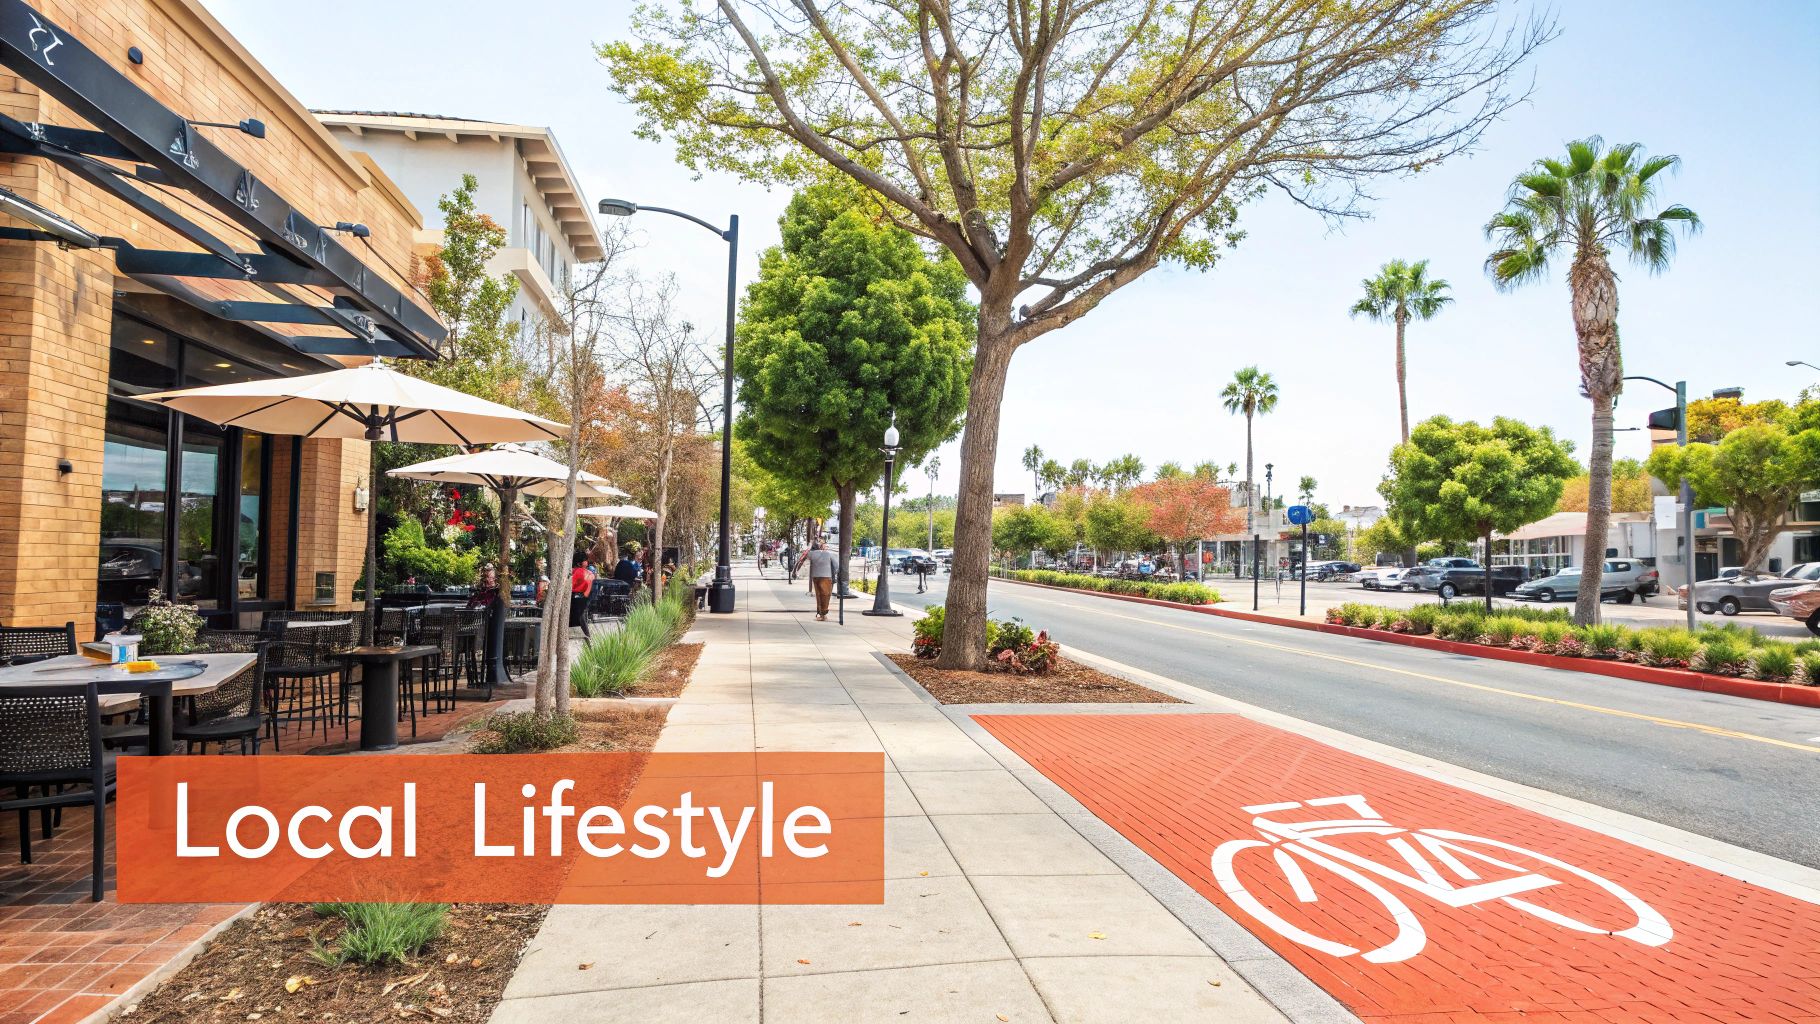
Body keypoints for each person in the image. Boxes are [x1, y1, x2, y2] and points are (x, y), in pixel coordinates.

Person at [795, 539, 838, 620]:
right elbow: (836, 566)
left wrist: (810, 545)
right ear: (821, 546)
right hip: (827, 577)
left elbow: (804, 554)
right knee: (825, 596)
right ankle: (824, 615)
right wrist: (835, 573)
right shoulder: (828, 554)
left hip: (816, 577)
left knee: (818, 596)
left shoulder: (811, 554)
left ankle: (820, 613)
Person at [569, 553, 595, 638]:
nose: (587, 562)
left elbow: (571, 584)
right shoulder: (590, 573)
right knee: (581, 618)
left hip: (575, 598)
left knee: (578, 618)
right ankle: (587, 636)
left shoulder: (575, 571)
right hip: (584, 598)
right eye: (585, 560)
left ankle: (586, 636)